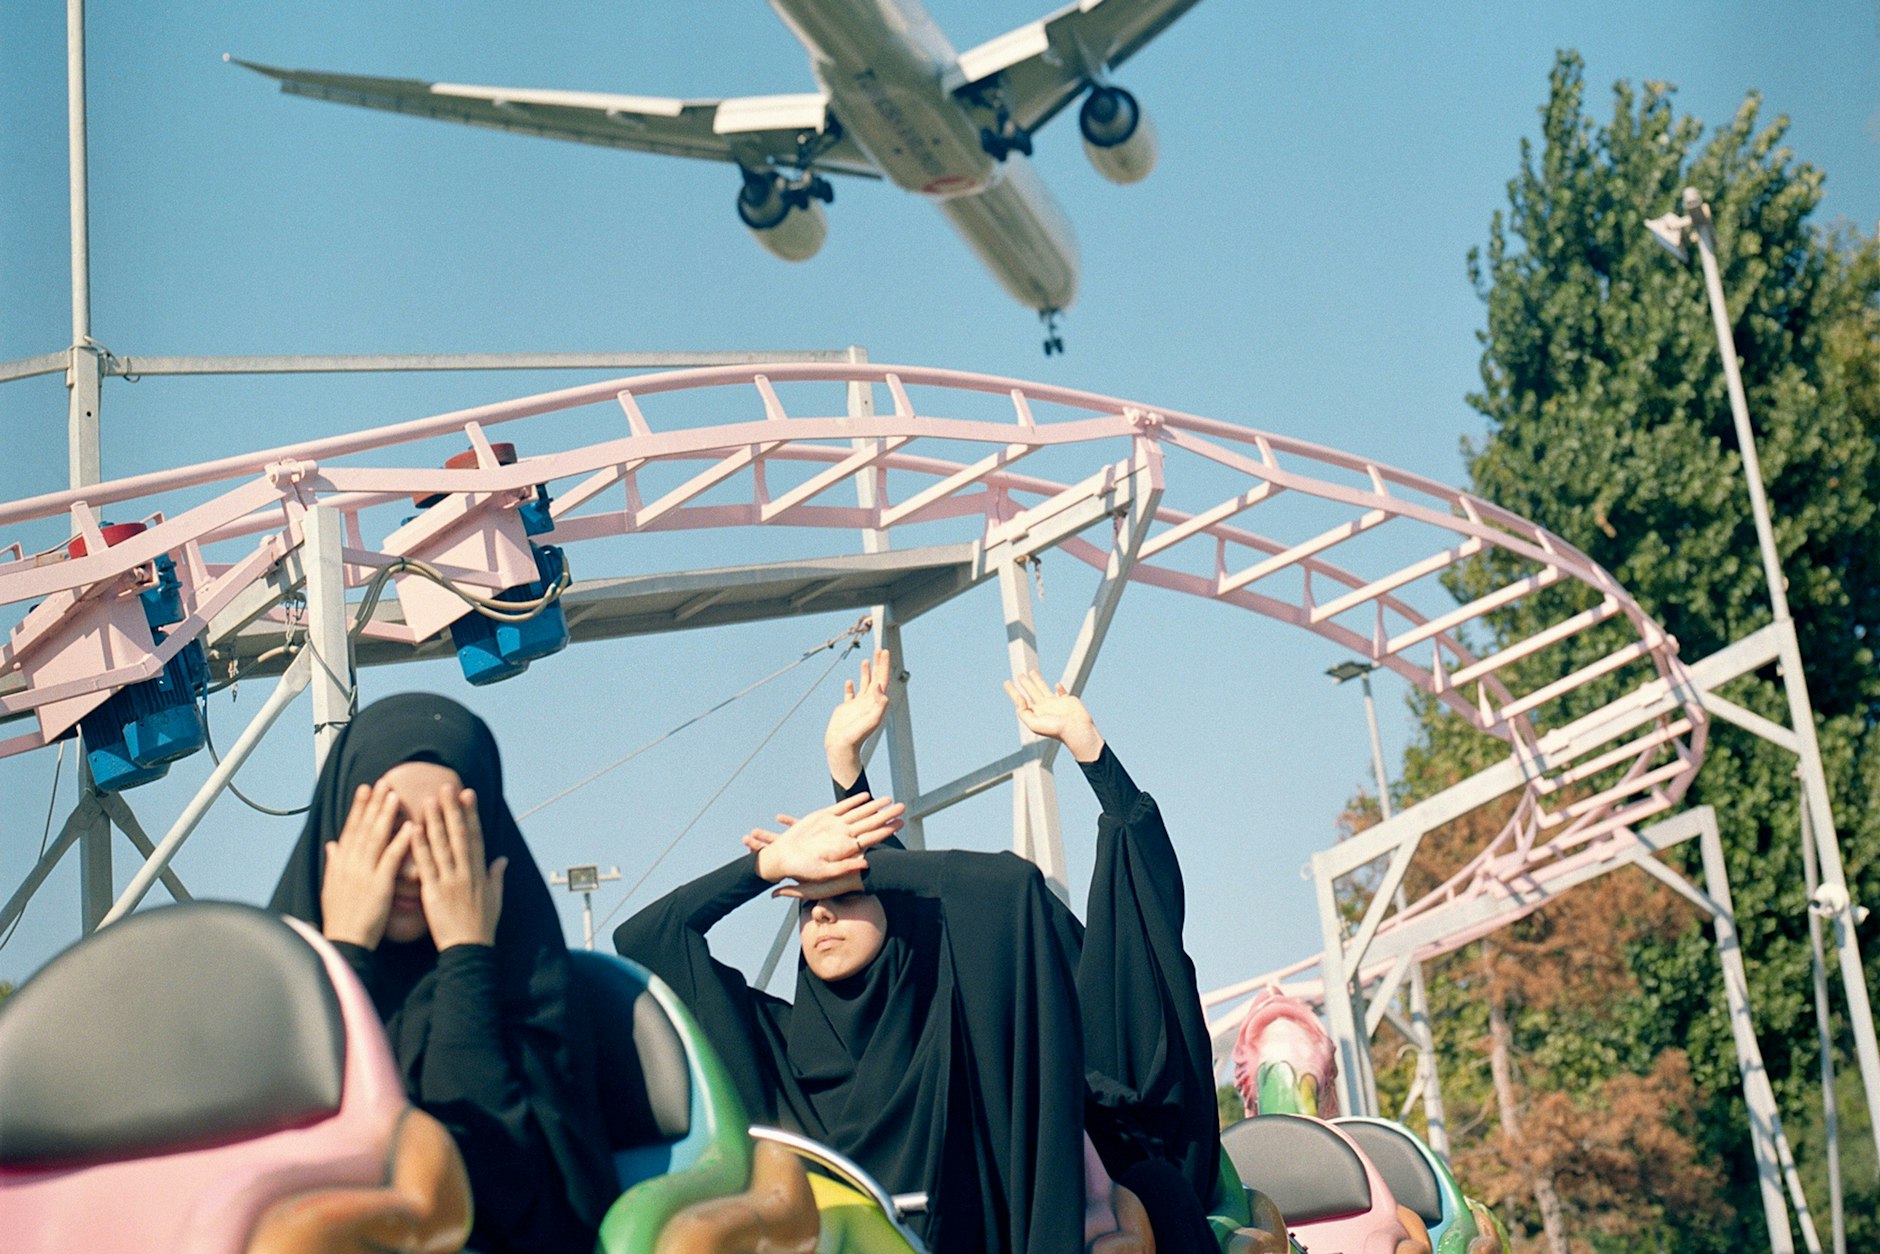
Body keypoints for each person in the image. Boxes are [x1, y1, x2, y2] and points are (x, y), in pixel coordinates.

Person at [612, 665, 1088, 1254]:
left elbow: (1009, 887)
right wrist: (770, 867)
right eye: (807, 905)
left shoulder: (949, 1035)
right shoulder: (772, 1049)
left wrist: (858, 847)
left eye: (844, 897)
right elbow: (643, 939)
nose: (821, 917)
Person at [822, 652, 1222, 1250]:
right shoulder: (964, 1105)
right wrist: (845, 765)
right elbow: (903, 899)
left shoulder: (1117, 1112)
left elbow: (1146, 909)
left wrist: (1090, 750)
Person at [269, 693, 617, 1254]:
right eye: (389, 824)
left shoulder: (536, 987)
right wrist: (343, 955)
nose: (410, 862)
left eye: (444, 828)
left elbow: (507, 1191)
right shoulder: (268, 985)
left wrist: (468, 954)